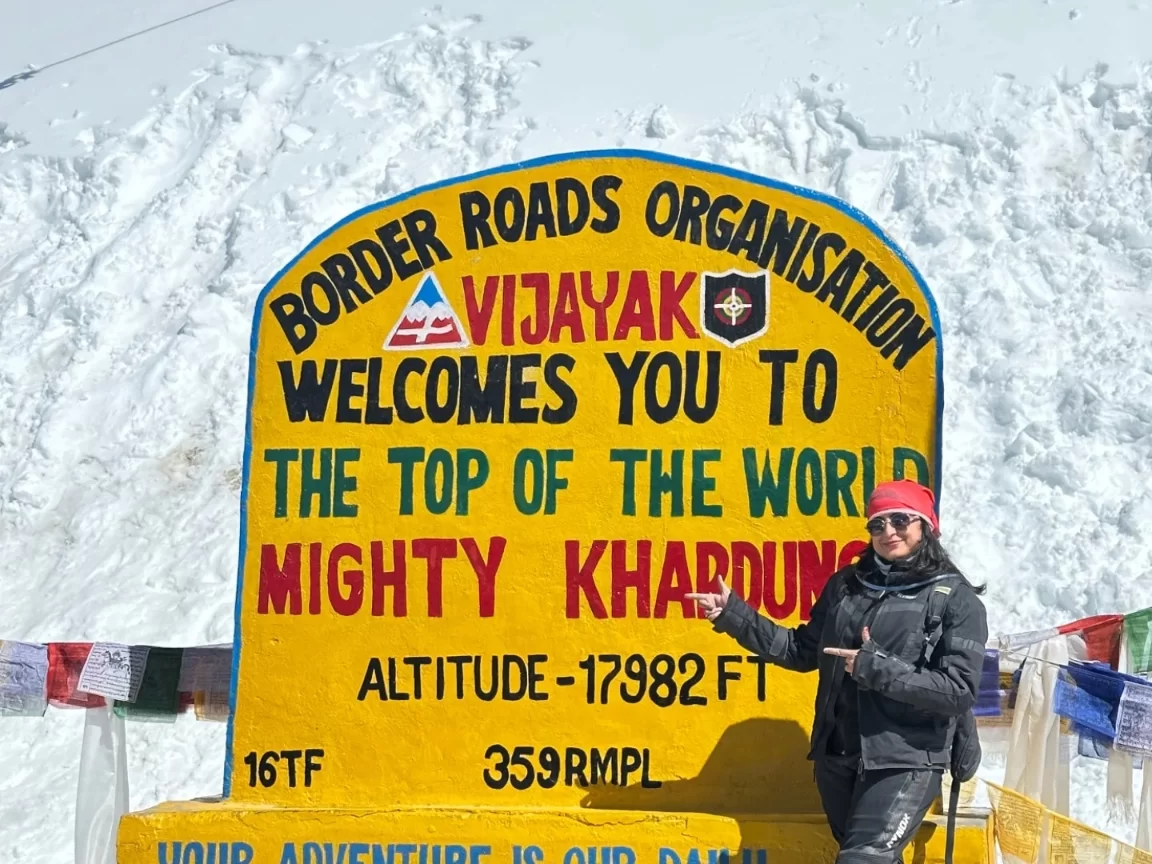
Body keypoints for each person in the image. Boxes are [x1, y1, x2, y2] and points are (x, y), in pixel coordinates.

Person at [687, 479, 988, 864]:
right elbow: (801, 651)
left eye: (900, 520)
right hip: (839, 757)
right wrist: (734, 615)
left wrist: (875, 668)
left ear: (926, 526)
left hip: (905, 760)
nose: (888, 532)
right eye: (877, 524)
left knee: (863, 860)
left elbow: (958, 691)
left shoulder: (955, 600)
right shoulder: (847, 585)